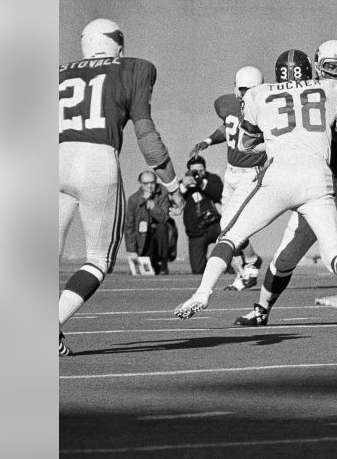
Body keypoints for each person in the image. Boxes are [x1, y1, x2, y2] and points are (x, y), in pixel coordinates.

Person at [173, 49, 337, 328]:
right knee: (335, 252)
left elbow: (247, 143)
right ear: (310, 71)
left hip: (279, 176)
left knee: (231, 236)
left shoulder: (258, 94)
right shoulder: (330, 87)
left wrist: (271, 141)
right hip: (317, 179)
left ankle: (202, 293)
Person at [233, 40, 337, 328]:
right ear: (316, 68)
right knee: (285, 257)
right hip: (316, 187)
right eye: (330, 69)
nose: (336, 75)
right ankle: (261, 308)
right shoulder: (300, 92)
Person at [59, 19, 184, 356]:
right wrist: (171, 182)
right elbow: (146, 134)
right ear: (116, 43)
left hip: (55, 157)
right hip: (97, 158)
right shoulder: (134, 68)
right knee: (99, 259)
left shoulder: (59, 72)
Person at [187, 66, 268, 290]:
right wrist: (207, 141)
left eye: (252, 90)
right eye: (243, 90)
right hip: (231, 172)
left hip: (251, 174)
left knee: (227, 224)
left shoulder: (267, 109)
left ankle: (251, 261)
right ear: (236, 89)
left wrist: (269, 164)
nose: (247, 95)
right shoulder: (229, 104)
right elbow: (229, 127)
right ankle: (244, 273)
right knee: (228, 227)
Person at [124, 169, 177, 275]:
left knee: (162, 226)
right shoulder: (133, 200)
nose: (149, 186)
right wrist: (132, 250)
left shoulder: (163, 192)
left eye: (152, 182)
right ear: (140, 184)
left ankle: (163, 263)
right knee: (149, 269)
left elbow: (164, 217)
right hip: (143, 238)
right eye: (146, 183)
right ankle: (152, 263)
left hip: (161, 236)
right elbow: (129, 226)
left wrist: (153, 207)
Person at [178, 156, 224, 275]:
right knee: (197, 270)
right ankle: (208, 266)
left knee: (229, 236)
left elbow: (218, 194)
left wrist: (201, 184)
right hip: (196, 231)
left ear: (205, 169)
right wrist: (183, 186)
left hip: (214, 225)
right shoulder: (184, 183)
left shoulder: (212, 179)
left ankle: (232, 266)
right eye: (194, 171)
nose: (197, 173)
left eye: (200, 170)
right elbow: (174, 199)